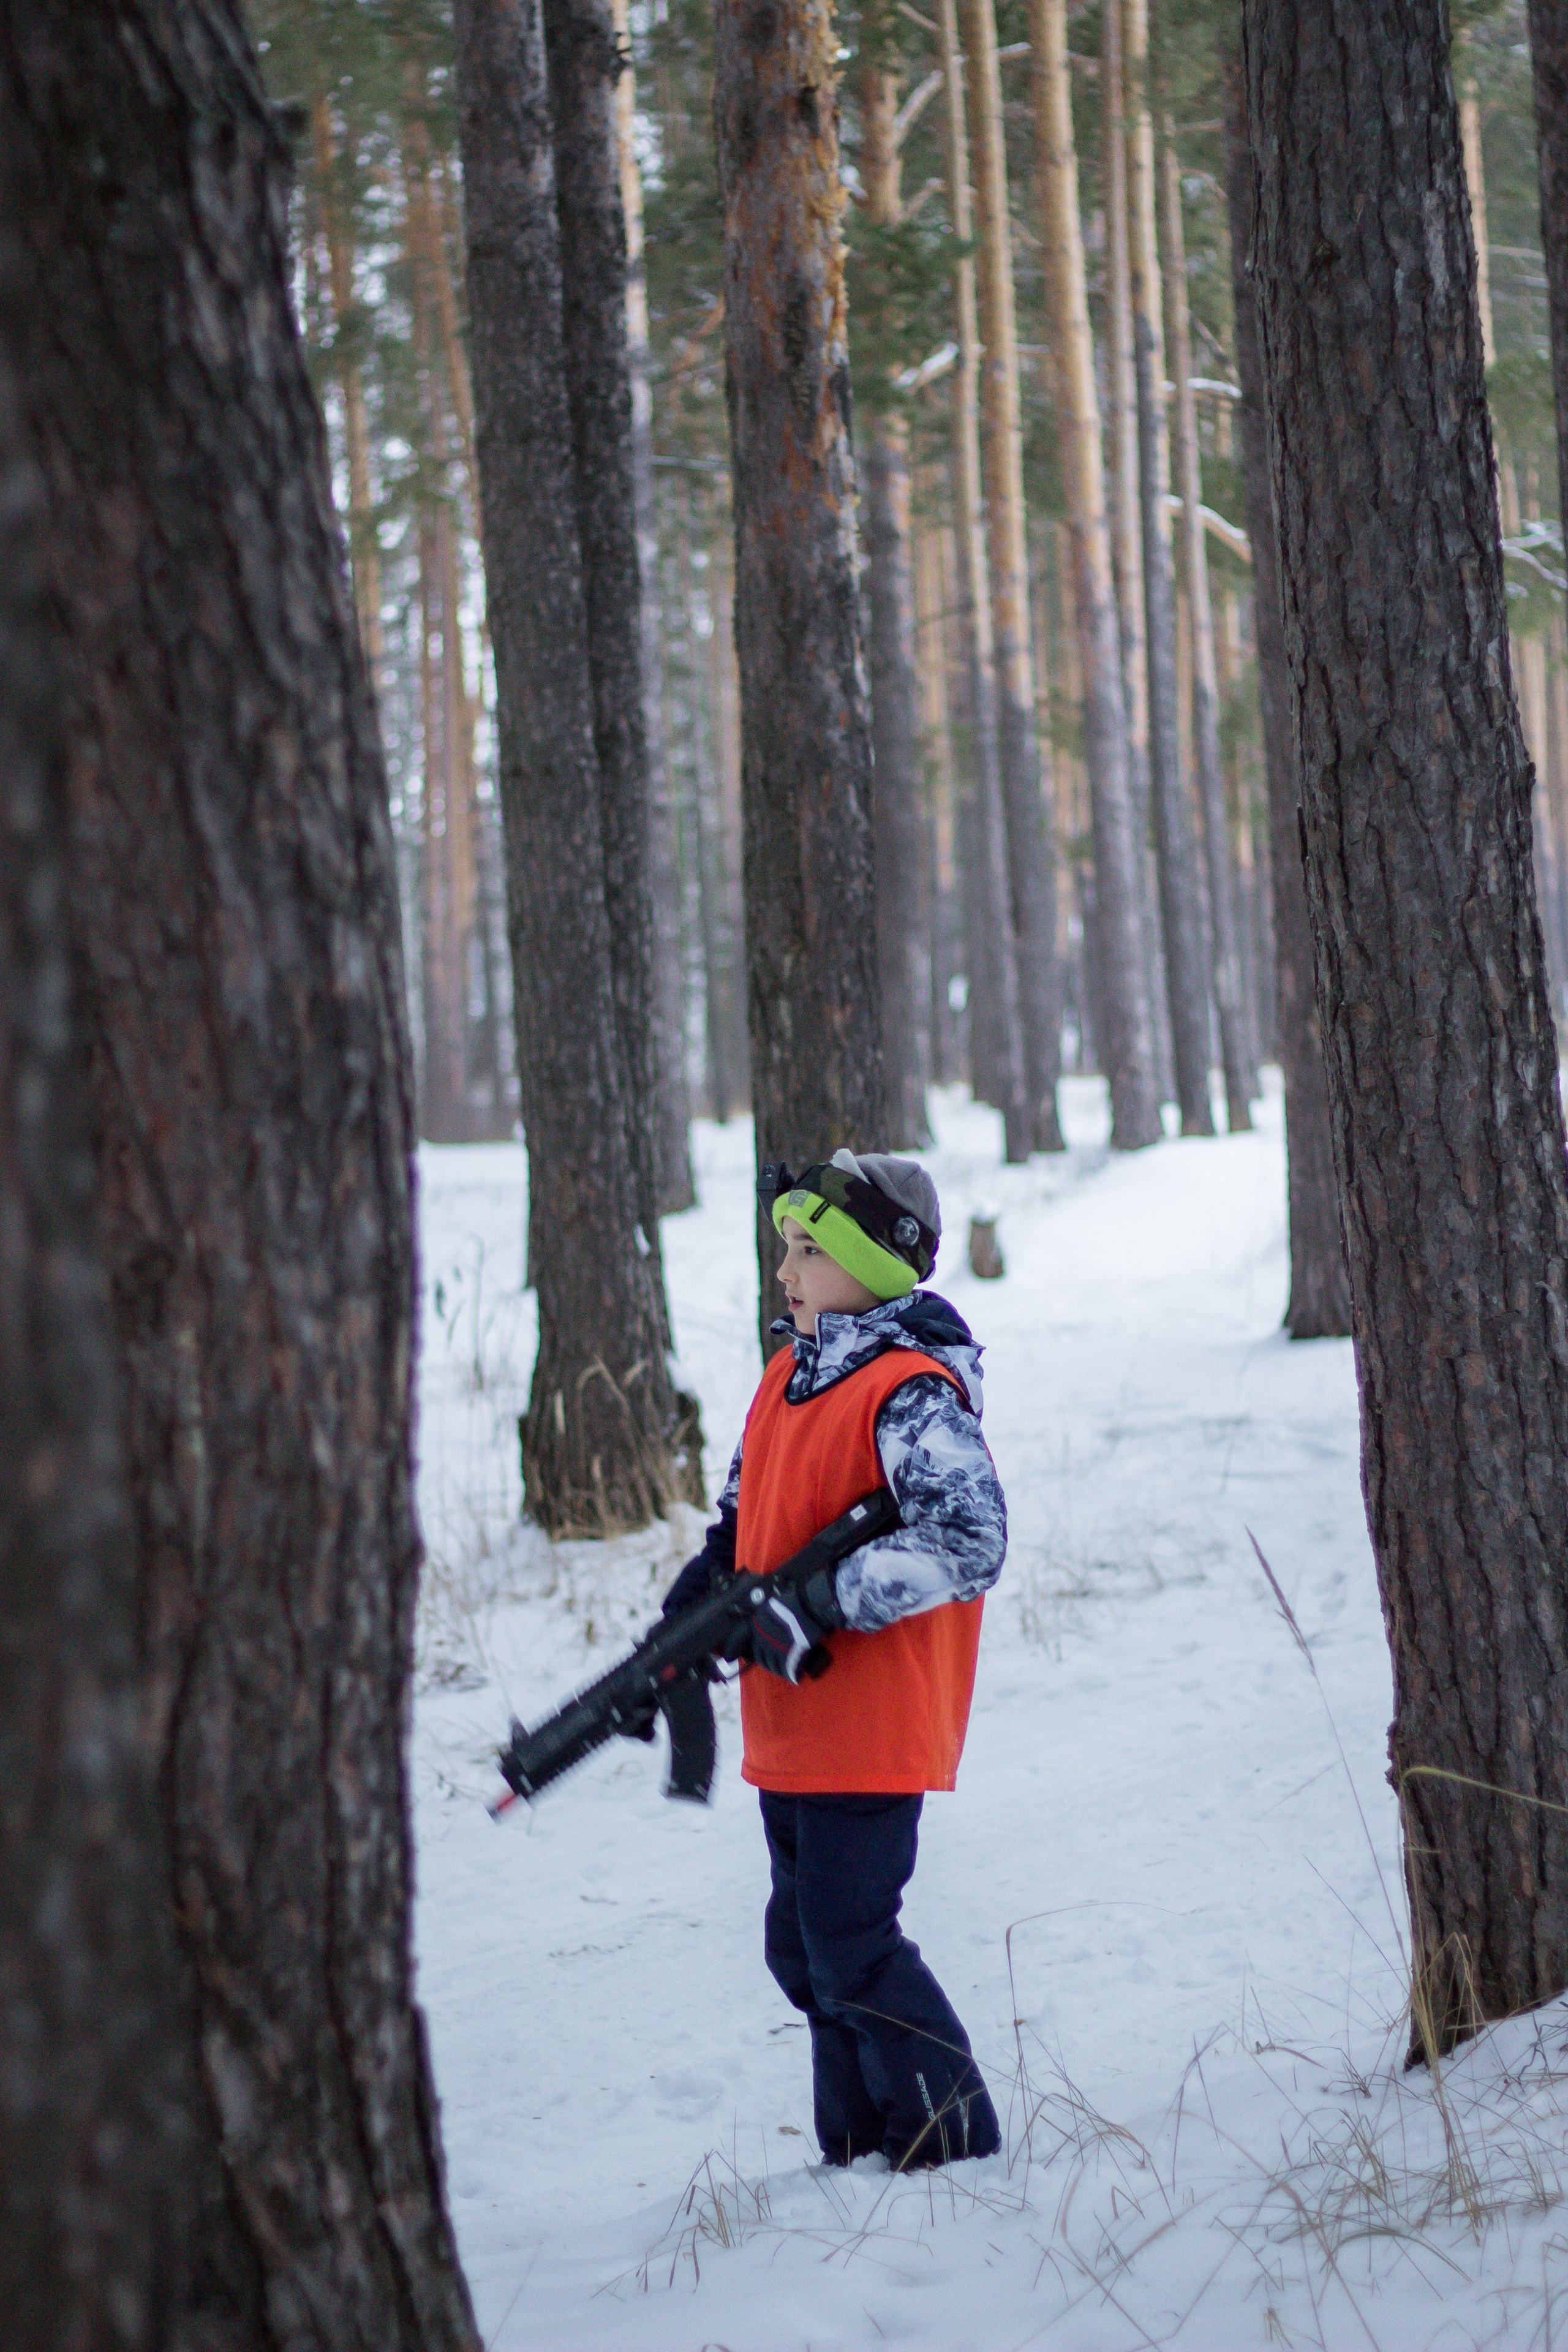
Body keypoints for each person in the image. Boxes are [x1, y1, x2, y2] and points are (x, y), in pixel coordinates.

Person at [662, 1148, 1006, 2171]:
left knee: (852, 1943)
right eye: (788, 1250)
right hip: (795, 1723)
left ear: (870, 1266)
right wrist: (705, 1591)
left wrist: (824, 1601)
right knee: (801, 1948)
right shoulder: (787, 1374)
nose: (787, 1270)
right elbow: (745, 1515)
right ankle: (854, 2150)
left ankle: (945, 2141)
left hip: (870, 1718)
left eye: (809, 1250)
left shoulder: (911, 1391)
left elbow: (970, 1538)